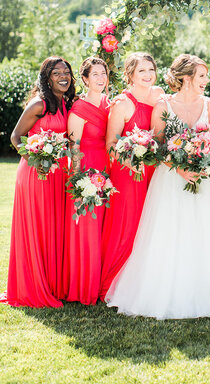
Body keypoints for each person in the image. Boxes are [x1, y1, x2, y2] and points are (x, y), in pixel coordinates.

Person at [106, 54, 210, 319]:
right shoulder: (163, 105)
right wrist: (181, 167)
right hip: (171, 179)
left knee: (209, 233)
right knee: (168, 234)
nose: (208, 82)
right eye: (202, 76)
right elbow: (159, 145)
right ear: (186, 78)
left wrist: (207, 158)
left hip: (204, 179)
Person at [1, 57, 75, 307]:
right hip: (35, 173)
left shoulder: (66, 104)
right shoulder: (39, 104)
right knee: (37, 227)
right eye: (57, 73)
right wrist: (36, 158)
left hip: (57, 174)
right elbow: (16, 136)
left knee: (53, 228)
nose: (63, 76)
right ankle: (32, 286)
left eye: (67, 72)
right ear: (47, 77)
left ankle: (52, 284)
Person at [99, 52, 164, 300]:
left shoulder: (159, 95)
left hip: (153, 171)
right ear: (130, 75)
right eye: (141, 71)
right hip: (128, 172)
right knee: (127, 224)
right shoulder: (122, 104)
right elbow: (110, 143)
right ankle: (115, 281)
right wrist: (132, 161)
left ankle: (145, 282)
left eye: (151, 70)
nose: (148, 75)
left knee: (150, 224)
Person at [63, 57, 110, 305]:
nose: (101, 78)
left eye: (104, 74)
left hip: (108, 168)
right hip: (87, 169)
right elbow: (74, 147)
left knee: (105, 229)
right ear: (84, 79)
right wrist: (80, 181)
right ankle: (84, 285)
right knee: (88, 228)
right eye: (95, 75)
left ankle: (104, 282)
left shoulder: (109, 104)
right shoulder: (79, 109)